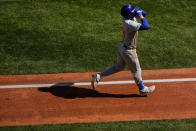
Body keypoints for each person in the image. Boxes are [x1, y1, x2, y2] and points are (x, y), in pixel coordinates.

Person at [91, 4, 155, 97]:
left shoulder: (127, 18)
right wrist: (140, 15)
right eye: (132, 10)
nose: (134, 10)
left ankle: (98, 76)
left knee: (119, 67)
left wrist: (138, 11)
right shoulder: (129, 24)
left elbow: (145, 14)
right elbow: (146, 26)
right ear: (129, 14)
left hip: (122, 47)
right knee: (137, 70)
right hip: (129, 51)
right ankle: (142, 90)